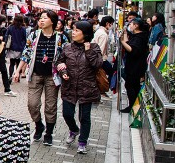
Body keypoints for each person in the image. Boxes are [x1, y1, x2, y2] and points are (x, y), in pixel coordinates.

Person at [13, 10, 69, 146]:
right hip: (36, 74)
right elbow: (26, 53)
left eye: (45, 18)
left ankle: (48, 133)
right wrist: (18, 70)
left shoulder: (61, 39)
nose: (41, 20)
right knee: (32, 104)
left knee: (50, 106)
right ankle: (39, 125)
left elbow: (66, 57)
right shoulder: (33, 36)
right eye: (41, 18)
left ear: (53, 21)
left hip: (52, 76)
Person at [56, 21, 103, 154]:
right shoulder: (67, 47)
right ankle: (74, 129)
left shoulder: (94, 47)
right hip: (69, 86)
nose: (73, 33)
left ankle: (82, 142)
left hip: (87, 88)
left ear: (85, 33)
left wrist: (88, 51)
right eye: (73, 30)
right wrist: (63, 71)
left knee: (85, 117)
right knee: (67, 114)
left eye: (76, 30)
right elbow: (59, 61)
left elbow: (97, 64)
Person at [120, 19, 150, 113]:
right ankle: (134, 106)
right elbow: (129, 43)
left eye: (131, 24)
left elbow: (132, 49)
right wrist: (125, 35)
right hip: (133, 65)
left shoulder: (140, 38)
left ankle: (133, 107)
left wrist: (122, 42)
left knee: (131, 85)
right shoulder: (137, 36)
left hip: (135, 66)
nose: (130, 26)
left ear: (136, 25)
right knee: (132, 85)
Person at [93, 16, 115, 98]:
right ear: (107, 24)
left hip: (97, 58)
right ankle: (103, 89)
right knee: (111, 72)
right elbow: (100, 50)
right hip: (100, 59)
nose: (111, 26)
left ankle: (101, 90)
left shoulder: (99, 31)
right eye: (111, 24)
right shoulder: (103, 34)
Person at [6, 14, 27, 80]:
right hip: (20, 48)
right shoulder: (23, 29)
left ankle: (10, 76)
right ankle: (17, 76)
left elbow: (6, 36)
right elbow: (24, 38)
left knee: (12, 63)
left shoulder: (10, 27)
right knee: (18, 63)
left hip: (12, 47)